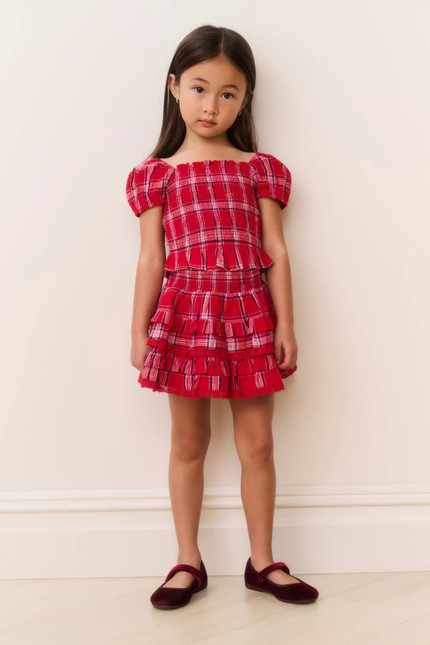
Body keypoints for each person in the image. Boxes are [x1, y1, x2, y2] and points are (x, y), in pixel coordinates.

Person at [125, 24, 319, 610]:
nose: (211, 105)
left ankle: (264, 562)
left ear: (245, 99)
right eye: (200, 88)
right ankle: (188, 560)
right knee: (189, 441)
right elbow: (152, 258)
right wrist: (138, 331)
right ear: (174, 86)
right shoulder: (157, 174)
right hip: (185, 317)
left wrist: (286, 325)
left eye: (228, 93)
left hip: (249, 315)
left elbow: (276, 250)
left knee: (257, 443)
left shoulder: (259, 168)